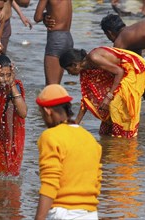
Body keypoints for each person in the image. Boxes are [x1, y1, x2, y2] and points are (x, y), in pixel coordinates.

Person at [35, 84, 102, 220]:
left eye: (41, 114)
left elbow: (50, 184)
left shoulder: (51, 136)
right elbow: (97, 181)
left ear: (47, 110)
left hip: (64, 213)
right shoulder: (90, 139)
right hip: (90, 213)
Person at [59, 47, 145, 138]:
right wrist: (75, 125)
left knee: (116, 104)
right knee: (100, 99)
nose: (69, 73)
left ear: (75, 65)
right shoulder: (85, 69)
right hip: (120, 71)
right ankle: (111, 132)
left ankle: (126, 136)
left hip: (133, 67)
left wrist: (108, 97)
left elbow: (119, 71)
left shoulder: (93, 58)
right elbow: (87, 98)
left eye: (68, 70)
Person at [100, 14, 145, 112]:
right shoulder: (133, 30)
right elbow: (137, 61)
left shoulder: (120, 42)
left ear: (109, 33)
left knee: (142, 80)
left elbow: (117, 71)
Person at [34, 0, 73, 85]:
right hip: (68, 37)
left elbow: (37, 17)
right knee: (56, 85)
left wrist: (45, 15)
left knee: (51, 86)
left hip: (56, 39)